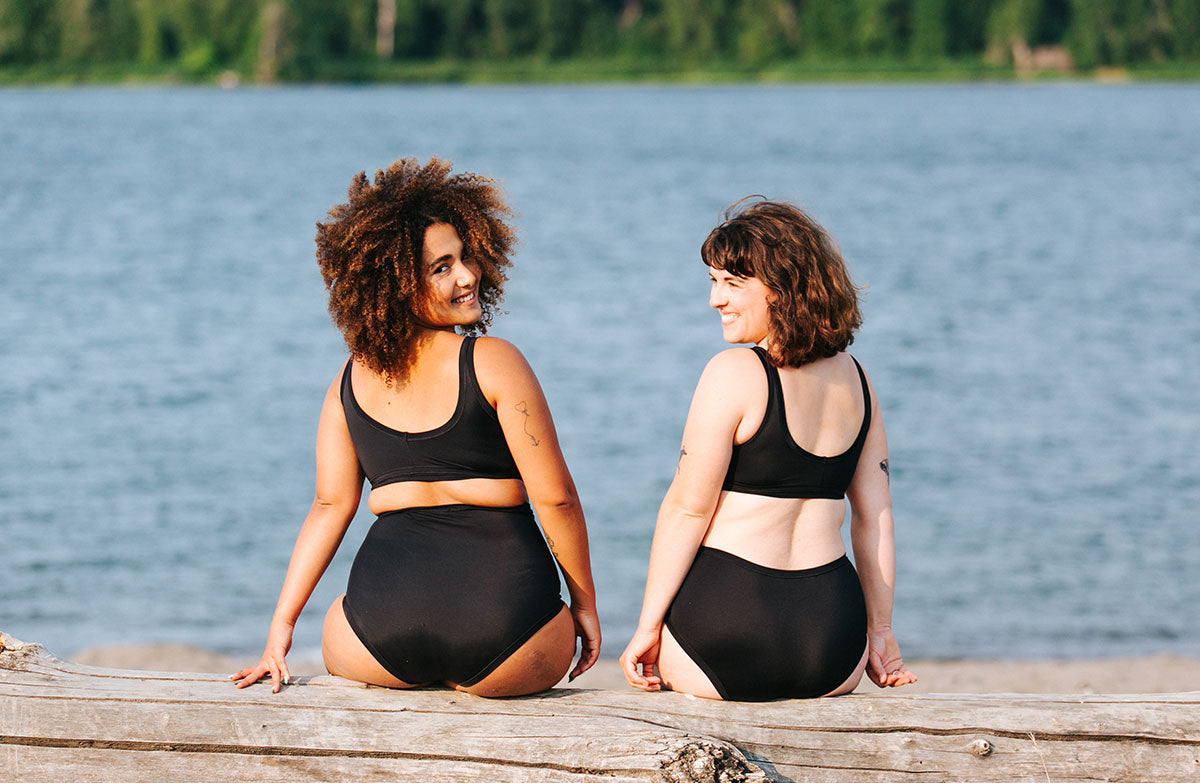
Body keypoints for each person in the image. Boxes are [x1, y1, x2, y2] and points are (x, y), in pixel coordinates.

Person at [234, 157, 600, 697]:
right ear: (395, 285)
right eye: (441, 267)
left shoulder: (347, 380)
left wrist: (281, 629)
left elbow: (330, 507)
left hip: (377, 642)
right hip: (509, 635)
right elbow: (558, 500)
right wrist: (585, 606)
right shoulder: (494, 360)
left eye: (465, 257)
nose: (468, 275)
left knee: (340, 613)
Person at [619, 199, 915, 701]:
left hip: (730, 630)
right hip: (832, 646)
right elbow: (876, 517)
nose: (715, 300)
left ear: (781, 289)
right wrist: (880, 632)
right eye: (714, 281)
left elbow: (688, 509)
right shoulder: (858, 380)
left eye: (733, 284)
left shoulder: (733, 372)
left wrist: (648, 628)